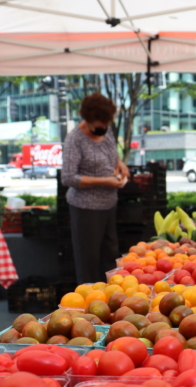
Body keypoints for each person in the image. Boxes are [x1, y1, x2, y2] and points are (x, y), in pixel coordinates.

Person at [62, 92, 129, 284]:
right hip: (86, 208)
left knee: (111, 255)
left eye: (106, 124)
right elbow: (68, 178)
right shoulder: (75, 140)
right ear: (88, 119)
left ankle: (112, 297)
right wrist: (103, 181)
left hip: (109, 205)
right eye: (100, 124)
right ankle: (89, 302)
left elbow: (112, 154)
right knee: (88, 259)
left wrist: (120, 164)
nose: (104, 128)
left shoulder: (106, 131)